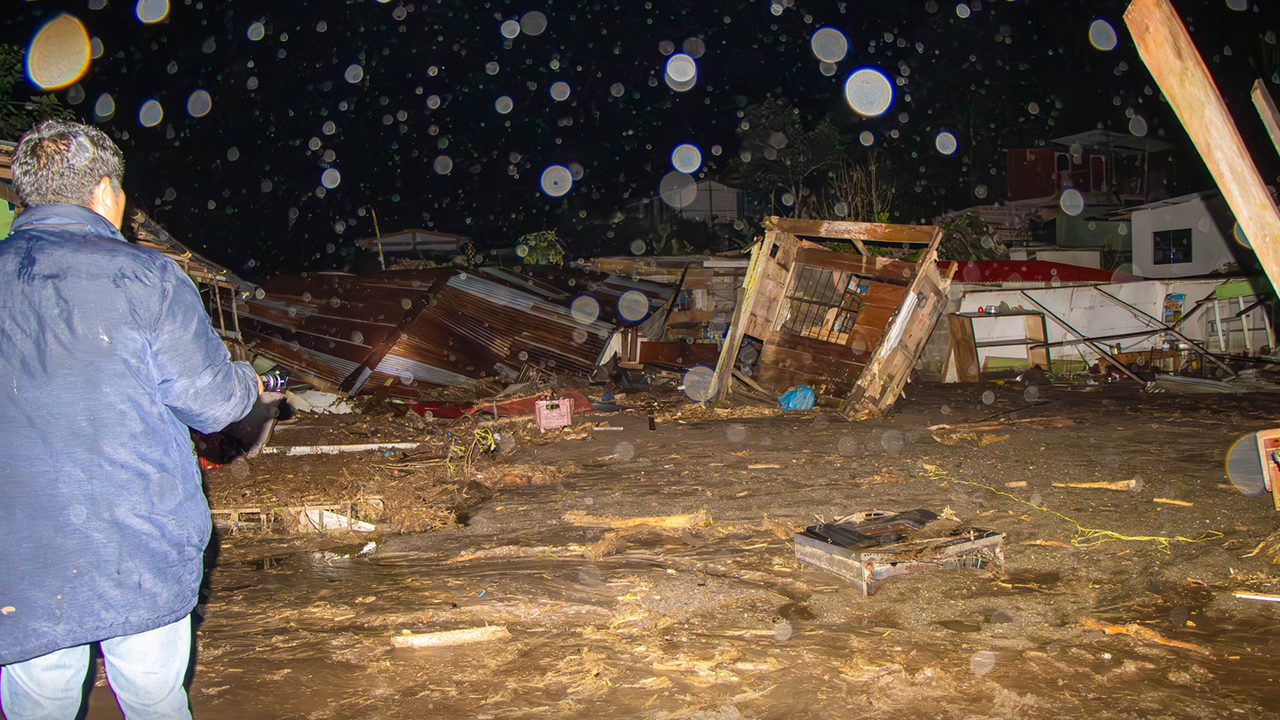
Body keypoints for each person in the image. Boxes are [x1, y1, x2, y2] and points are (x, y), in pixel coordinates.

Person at [0, 120, 260, 719]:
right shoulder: (148, 278)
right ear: (103, 193)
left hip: (20, 551)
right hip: (134, 539)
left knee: (38, 701)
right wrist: (249, 383)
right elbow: (215, 403)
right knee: (152, 700)